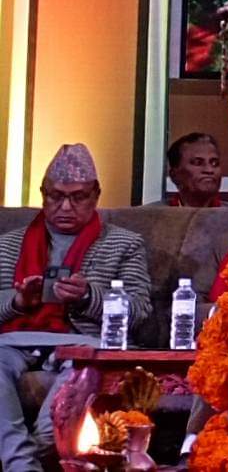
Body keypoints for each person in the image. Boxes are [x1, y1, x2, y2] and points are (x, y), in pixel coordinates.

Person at [0, 146, 151, 470]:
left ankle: (30, 456)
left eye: (78, 197)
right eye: (56, 196)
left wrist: (87, 297)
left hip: (85, 344)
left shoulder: (124, 243)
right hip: (14, 340)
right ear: (43, 195)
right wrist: (18, 301)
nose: (66, 206)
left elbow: (139, 311)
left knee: (77, 379)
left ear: (96, 196)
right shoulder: (8, 244)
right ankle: (22, 465)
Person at [153, 132, 228, 208]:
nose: (209, 170)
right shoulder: (152, 215)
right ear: (174, 175)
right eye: (197, 162)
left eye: (214, 163)